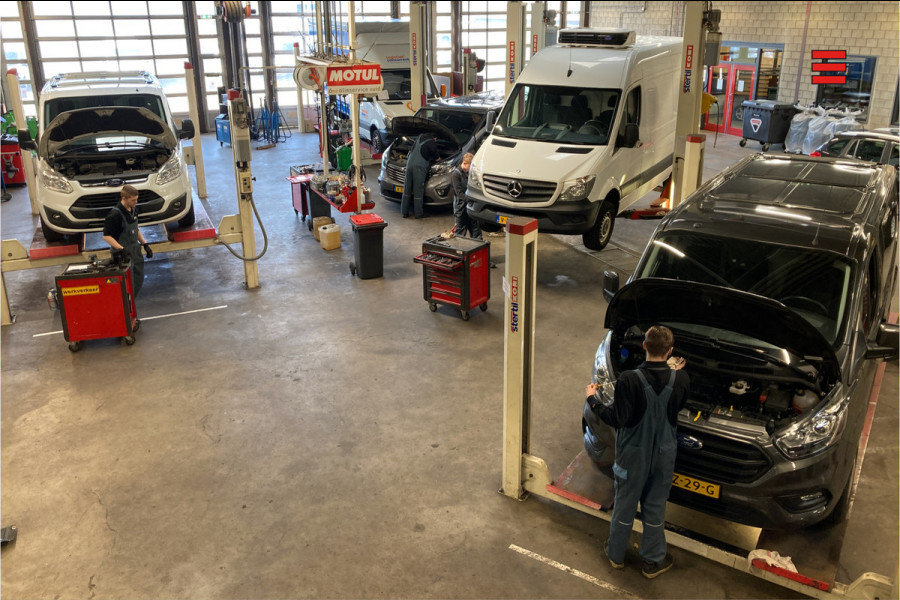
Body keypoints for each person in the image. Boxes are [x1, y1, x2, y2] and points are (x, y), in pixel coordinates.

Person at [585, 324, 689, 579]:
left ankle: (616, 555)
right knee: (654, 507)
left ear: (644, 346)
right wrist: (673, 372)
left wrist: (592, 399)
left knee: (625, 504)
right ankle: (653, 561)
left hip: (633, 454)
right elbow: (680, 406)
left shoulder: (629, 379)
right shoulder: (682, 379)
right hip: (663, 455)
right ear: (671, 351)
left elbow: (616, 418)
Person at [103, 184, 152, 297]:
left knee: (138, 280)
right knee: (127, 286)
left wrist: (145, 244)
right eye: (133, 200)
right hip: (123, 256)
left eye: (136, 199)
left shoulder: (134, 210)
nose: (136, 202)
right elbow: (106, 236)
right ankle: (126, 310)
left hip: (135, 251)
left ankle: (131, 306)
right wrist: (121, 249)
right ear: (124, 198)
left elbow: (135, 229)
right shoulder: (114, 215)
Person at [401, 132, 439, 219]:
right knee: (418, 189)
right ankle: (418, 214)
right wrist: (439, 159)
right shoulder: (432, 142)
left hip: (409, 163)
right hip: (419, 166)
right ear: (435, 138)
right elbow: (436, 156)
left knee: (407, 187)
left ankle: (404, 212)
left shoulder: (420, 137)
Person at [450, 152, 481, 239]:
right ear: (465, 163)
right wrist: (470, 200)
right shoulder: (456, 174)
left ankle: (477, 249)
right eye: (470, 166)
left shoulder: (469, 172)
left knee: (475, 229)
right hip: (461, 207)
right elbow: (459, 193)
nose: (471, 169)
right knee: (460, 231)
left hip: (470, 206)